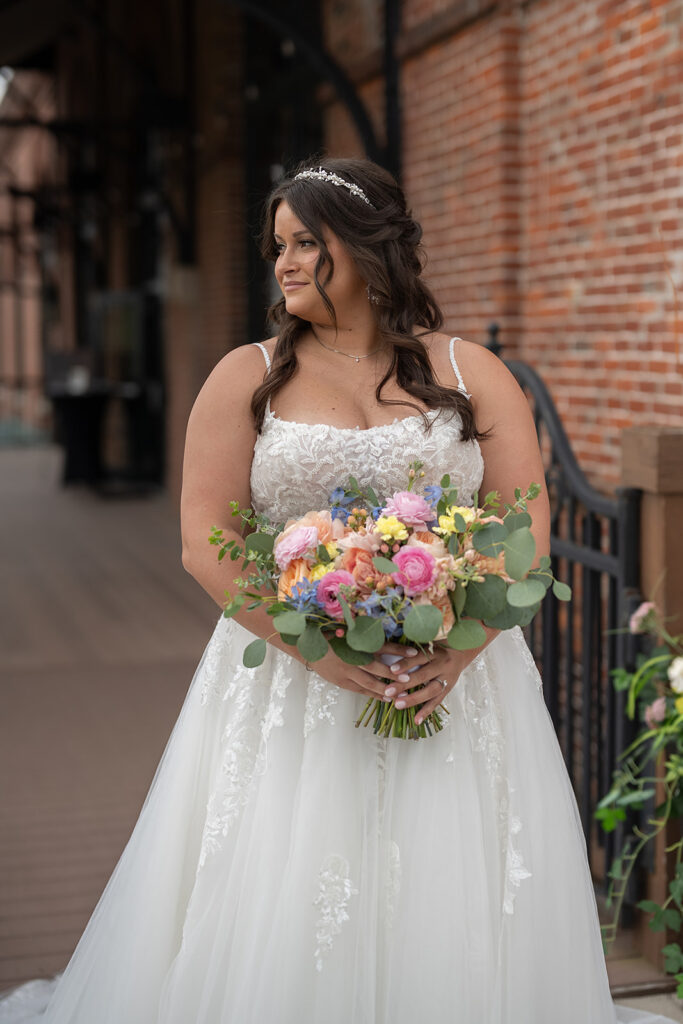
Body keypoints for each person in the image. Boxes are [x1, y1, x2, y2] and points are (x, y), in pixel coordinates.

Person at [0, 158, 676, 1024]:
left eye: (306, 243)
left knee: (448, 880)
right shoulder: (244, 376)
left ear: (366, 249)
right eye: (276, 245)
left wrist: (458, 653)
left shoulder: (471, 372)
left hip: (458, 683)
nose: (283, 262)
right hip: (292, 681)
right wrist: (315, 651)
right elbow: (203, 544)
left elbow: (524, 532)